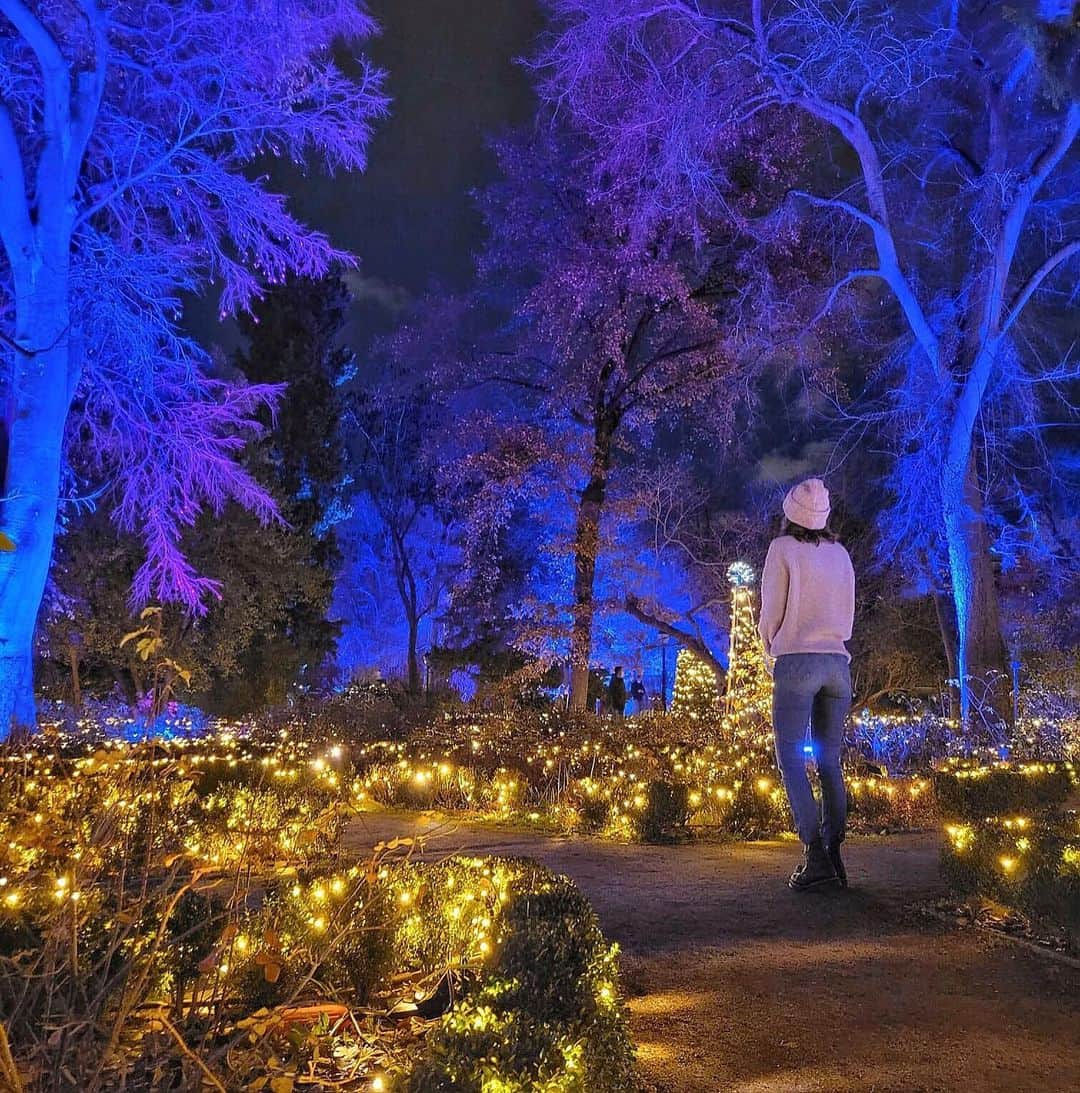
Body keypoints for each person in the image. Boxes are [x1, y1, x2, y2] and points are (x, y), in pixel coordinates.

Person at [758, 478, 855, 891]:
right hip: (837, 662)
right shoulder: (841, 554)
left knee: (791, 758)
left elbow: (771, 611)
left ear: (791, 513)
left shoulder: (782, 550)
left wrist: (769, 647)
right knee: (830, 761)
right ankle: (834, 851)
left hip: (797, 661)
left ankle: (814, 852)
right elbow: (848, 610)